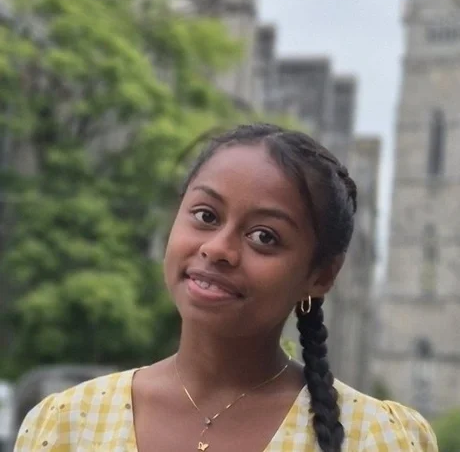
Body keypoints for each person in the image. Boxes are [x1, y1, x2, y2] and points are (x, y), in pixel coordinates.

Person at [14, 124, 438, 452]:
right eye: (206, 215)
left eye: (264, 237)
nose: (218, 249)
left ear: (321, 275)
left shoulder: (379, 438)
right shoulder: (67, 423)